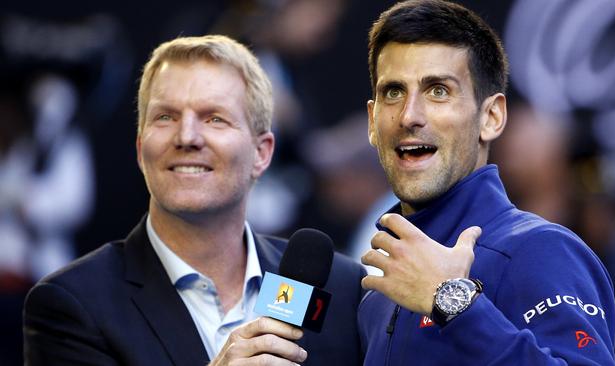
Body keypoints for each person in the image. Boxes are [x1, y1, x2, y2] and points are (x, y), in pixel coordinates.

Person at [23, 35, 365, 366]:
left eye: (214, 118)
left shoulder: (342, 289)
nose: (187, 137)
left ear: (261, 154)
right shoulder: (74, 303)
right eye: (166, 117)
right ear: (142, 150)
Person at [357, 1, 615, 365]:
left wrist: (453, 302)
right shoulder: (378, 299)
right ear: (372, 121)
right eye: (393, 92)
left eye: (438, 91)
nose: (409, 116)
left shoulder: (541, 251)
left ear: (491, 117)